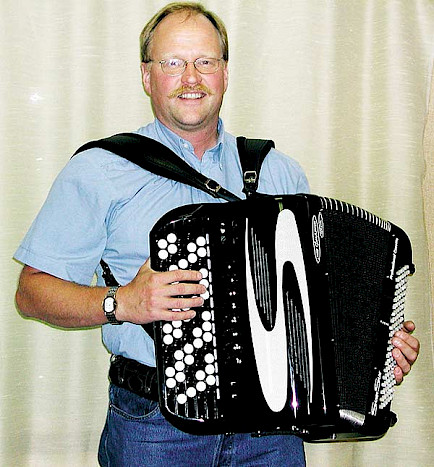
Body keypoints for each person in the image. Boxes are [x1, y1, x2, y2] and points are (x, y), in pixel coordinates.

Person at [14, 2, 420, 466]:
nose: (191, 77)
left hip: (272, 431)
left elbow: (318, 306)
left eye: (205, 61)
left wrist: (374, 348)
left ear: (225, 73)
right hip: (155, 427)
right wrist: (122, 302)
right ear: (147, 76)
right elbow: (32, 292)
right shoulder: (101, 170)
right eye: (173, 63)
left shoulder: (278, 171)